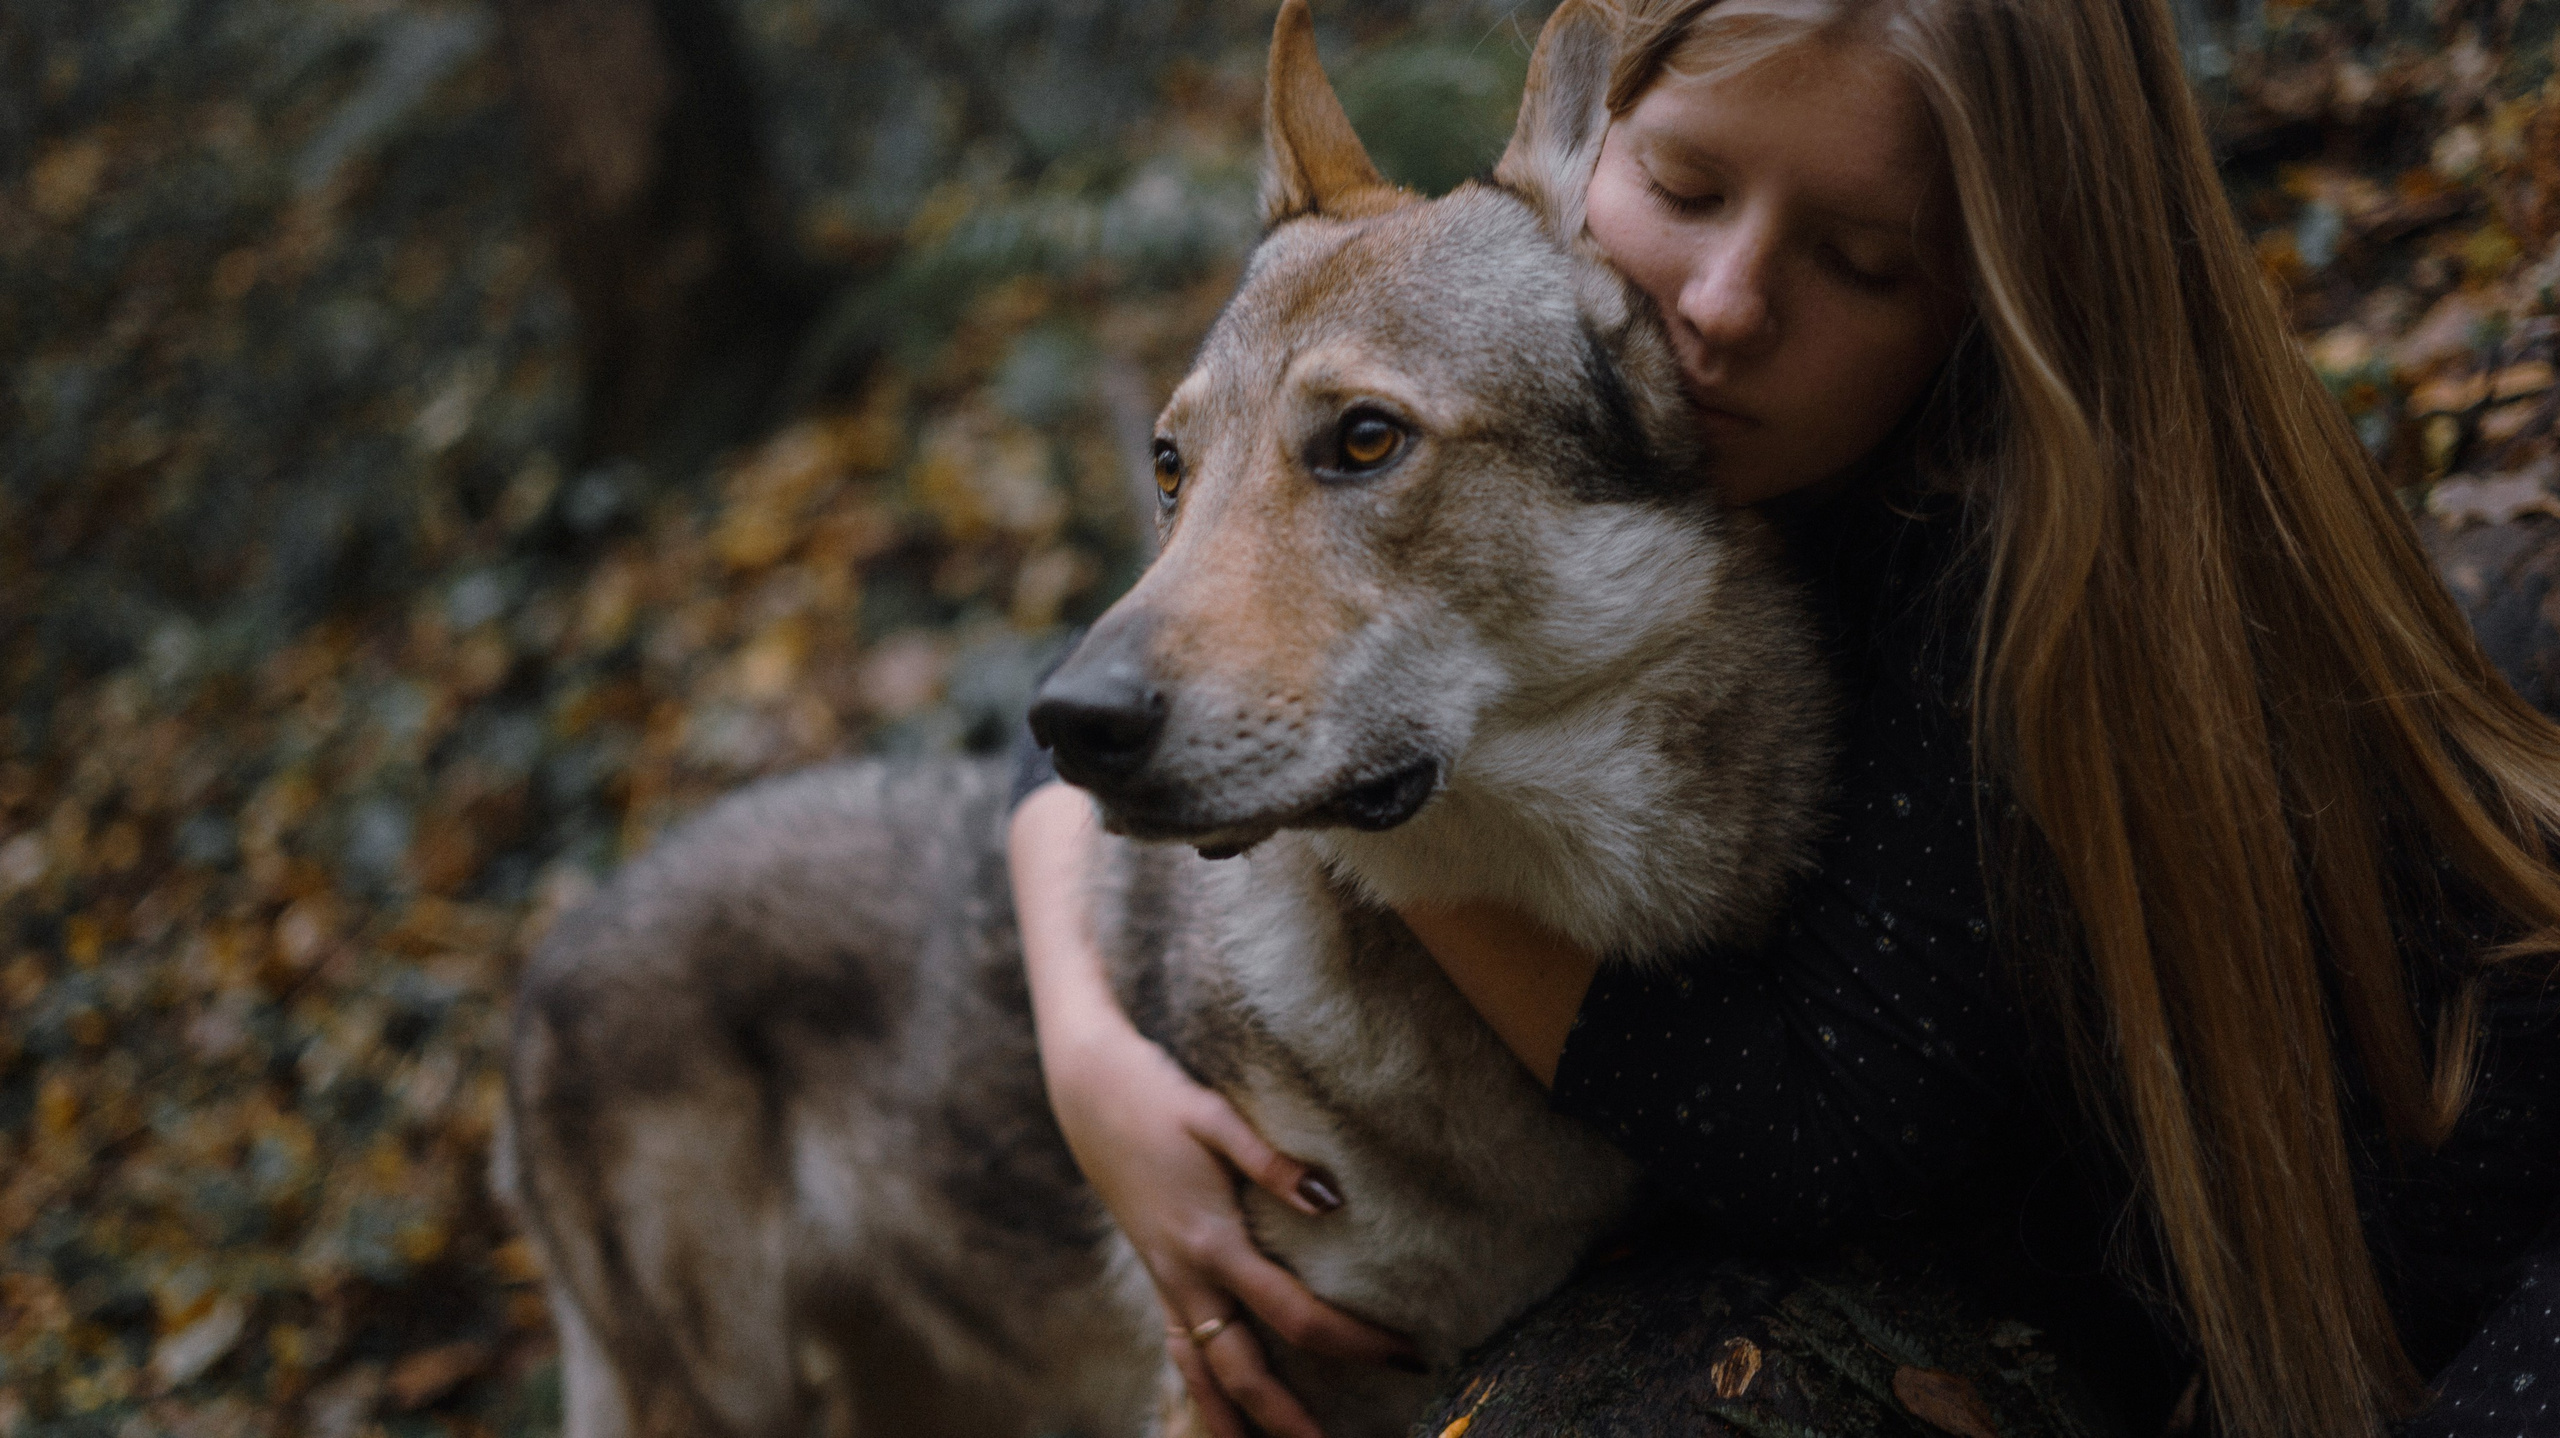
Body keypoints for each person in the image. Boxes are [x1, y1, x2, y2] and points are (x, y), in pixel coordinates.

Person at [1006, 1, 2560, 1435]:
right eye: (1681, 189)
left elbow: (1803, 1129)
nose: (1728, 304)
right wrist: (1084, 1043)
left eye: (1863, 260)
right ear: (1589, 138)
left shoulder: (2001, 555)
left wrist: (1351, 787)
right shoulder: (1649, 422)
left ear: (2001, 286)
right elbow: (1135, 691)